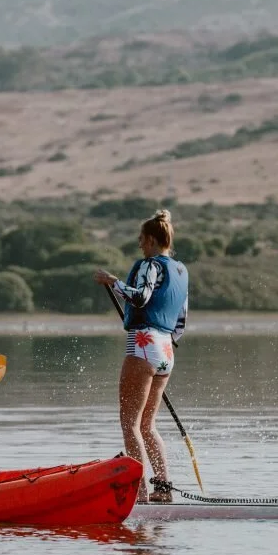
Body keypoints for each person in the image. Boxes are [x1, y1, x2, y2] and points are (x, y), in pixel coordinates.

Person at [94, 209, 188, 504]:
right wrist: (162, 344)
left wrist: (114, 282)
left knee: (130, 425)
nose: (139, 244)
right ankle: (163, 489)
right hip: (166, 351)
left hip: (143, 345)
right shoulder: (181, 271)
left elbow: (140, 297)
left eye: (140, 239)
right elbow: (181, 320)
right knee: (147, 425)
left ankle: (140, 492)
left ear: (150, 239)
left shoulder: (150, 265)